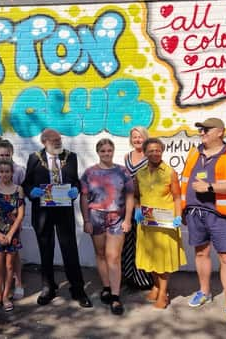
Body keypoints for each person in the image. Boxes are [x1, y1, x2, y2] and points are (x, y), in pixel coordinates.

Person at [180, 117, 226, 329]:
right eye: (200, 129)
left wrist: (210, 187)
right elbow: (184, 180)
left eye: (206, 129)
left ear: (220, 132)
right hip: (195, 212)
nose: (202, 132)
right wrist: (183, 208)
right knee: (200, 253)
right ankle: (204, 292)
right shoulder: (194, 152)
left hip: (222, 215)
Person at [22, 128, 92, 308]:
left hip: (64, 210)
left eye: (59, 139)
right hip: (43, 212)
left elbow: (75, 180)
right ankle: (48, 287)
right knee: (46, 250)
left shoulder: (71, 157)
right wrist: (32, 192)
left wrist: (75, 190)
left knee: (70, 250)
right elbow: (27, 183)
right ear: (44, 141)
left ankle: (77, 289)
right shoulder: (34, 158)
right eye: (54, 140)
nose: (58, 142)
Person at [80, 138, 135, 315]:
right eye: (103, 151)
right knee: (101, 254)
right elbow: (83, 198)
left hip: (117, 218)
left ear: (113, 151)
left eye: (109, 150)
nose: (106, 153)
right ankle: (105, 286)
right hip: (96, 218)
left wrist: (127, 219)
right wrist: (86, 220)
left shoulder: (122, 172)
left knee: (114, 256)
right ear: (98, 152)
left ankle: (115, 295)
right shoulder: (89, 173)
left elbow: (129, 197)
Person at [133, 138, 187, 309]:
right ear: (145, 152)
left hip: (165, 223)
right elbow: (136, 196)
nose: (154, 153)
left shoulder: (169, 172)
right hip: (147, 223)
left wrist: (178, 216)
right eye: (151, 150)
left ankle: (163, 293)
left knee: (163, 259)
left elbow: (177, 197)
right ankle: (156, 286)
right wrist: (137, 209)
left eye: (158, 150)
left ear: (162, 151)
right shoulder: (139, 174)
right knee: (151, 257)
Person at [0, 139, 26, 299]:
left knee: (14, 257)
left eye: (7, 154)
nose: (4, 157)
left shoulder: (19, 170)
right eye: (1, 154)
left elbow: (22, 193)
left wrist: (15, 227)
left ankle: (18, 283)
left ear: (12, 153)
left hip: (14, 222)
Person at [122, 126, 154, 289]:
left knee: (143, 242)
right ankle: (128, 276)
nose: (137, 140)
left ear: (145, 138)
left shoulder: (150, 157)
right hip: (128, 205)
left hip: (144, 205)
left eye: (140, 137)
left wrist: (140, 205)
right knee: (129, 241)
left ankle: (143, 279)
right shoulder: (127, 156)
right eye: (134, 137)